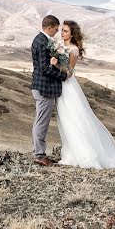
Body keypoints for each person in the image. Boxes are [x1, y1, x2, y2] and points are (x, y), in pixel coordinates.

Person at [56, 20, 115, 170]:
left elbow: (70, 73)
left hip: (68, 87)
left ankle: (85, 154)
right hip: (60, 86)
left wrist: (56, 64)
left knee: (74, 117)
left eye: (65, 31)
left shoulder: (73, 50)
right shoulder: (59, 47)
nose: (62, 33)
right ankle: (71, 152)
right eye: (62, 30)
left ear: (72, 34)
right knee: (65, 119)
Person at [30, 15, 68, 166]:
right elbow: (45, 68)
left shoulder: (40, 39)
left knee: (40, 121)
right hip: (44, 88)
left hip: (41, 87)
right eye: (56, 29)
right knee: (41, 123)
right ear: (50, 27)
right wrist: (62, 75)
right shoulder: (43, 42)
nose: (57, 32)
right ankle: (39, 154)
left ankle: (39, 152)